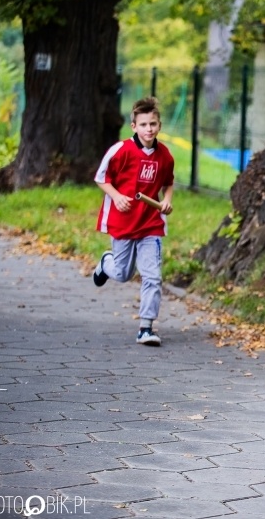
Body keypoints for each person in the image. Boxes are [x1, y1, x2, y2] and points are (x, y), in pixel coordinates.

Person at [92, 96, 175, 347]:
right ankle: (106, 263)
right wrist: (117, 197)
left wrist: (167, 200)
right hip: (124, 224)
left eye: (153, 124)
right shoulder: (120, 151)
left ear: (159, 125)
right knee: (123, 273)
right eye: (143, 124)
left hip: (151, 225)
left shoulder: (165, 156)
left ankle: (146, 328)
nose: (148, 129)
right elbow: (101, 178)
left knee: (153, 276)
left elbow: (168, 182)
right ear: (134, 126)